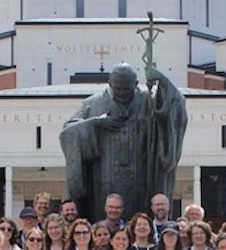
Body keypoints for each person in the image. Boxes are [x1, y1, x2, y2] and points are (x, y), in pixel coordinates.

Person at [60, 63, 187, 222]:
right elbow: (67, 132)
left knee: (140, 220)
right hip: (102, 179)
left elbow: (176, 106)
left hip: (141, 179)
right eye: (117, 88)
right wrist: (95, 124)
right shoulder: (93, 103)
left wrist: (162, 80)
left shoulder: (149, 101)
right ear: (110, 84)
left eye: (126, 89)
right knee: (101, 222)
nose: (121, 93)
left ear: (135, 84)